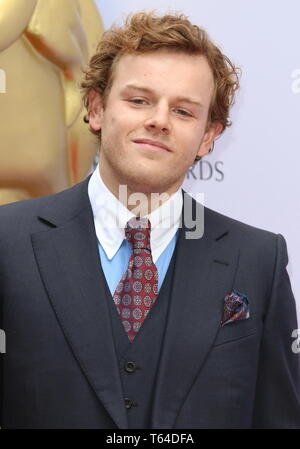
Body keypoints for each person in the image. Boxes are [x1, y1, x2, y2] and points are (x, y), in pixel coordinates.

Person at [0, 11, 299, 429]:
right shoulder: (7, 242)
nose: (158, 120)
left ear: (209, 136)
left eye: (183, 111)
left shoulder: (257, 259)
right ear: (97, 108)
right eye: (139, 100)